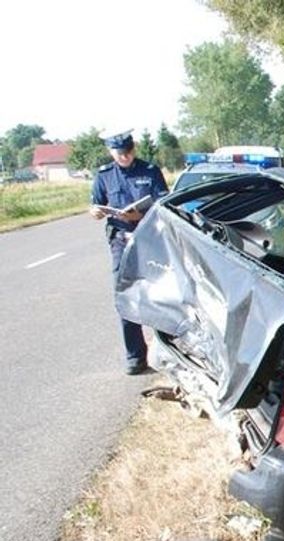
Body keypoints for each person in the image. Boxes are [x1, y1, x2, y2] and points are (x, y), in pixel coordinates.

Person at [90, 130, 168, 375]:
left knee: (158, 295)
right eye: (119, 153)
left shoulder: (150, 171)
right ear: (111, 153)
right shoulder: (104, 175)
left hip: (149, 240)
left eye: (128, 152)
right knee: (125, 298)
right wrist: (96, 212)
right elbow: (96, 203)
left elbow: (164, 204)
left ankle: (167, 352)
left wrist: (140, 215)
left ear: (133, 149)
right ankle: (135, 357)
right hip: (121, 242)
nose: (124, 157)